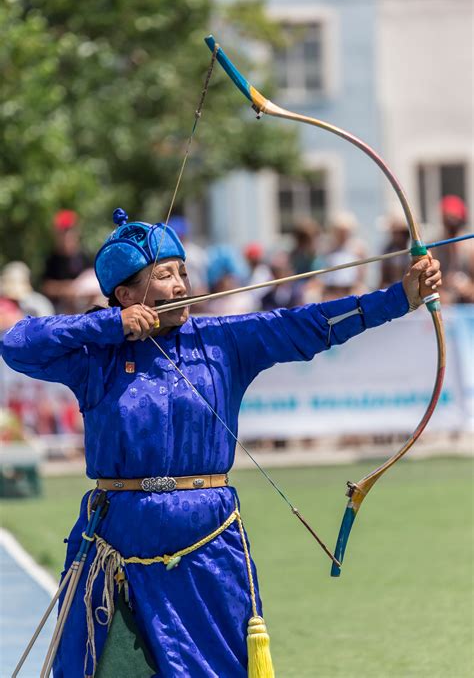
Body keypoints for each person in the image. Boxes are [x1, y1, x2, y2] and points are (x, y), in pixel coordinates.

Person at [1, 208, 442, 678]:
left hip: (207, 541)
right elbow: (16, 343)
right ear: (126, 295)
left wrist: (401, 297)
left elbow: (312, 324)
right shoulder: (95, 357)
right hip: (115, 540)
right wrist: (111, 326)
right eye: (164, 275)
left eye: (183, 272)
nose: (180, 284)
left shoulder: (224, 340)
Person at [42, 209, 91, 312]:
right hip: (60, 309)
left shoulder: (84, 256)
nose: (66, 235)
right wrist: (67, 289)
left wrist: (78, 290)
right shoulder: (52, 259)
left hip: (84, 304)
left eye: (69, 230)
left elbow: (93, 282)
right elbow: (46, 287)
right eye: (62, 232)